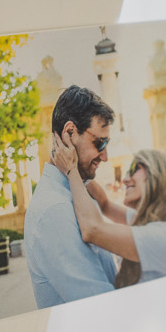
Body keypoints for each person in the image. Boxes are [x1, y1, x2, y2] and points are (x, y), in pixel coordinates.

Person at [49, 136, 166, 287]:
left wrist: (71, 169)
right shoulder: (148, 223)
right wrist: (83, 172)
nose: (124, 179)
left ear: (158, 174)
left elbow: (92, 229)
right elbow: (104, 205)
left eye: (133, 169)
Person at [24, 85, 119, 307]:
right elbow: (99, 305)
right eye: (100, 143)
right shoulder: (54, 211)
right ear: (69, 134)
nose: (105, 156)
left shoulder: (76, 195)